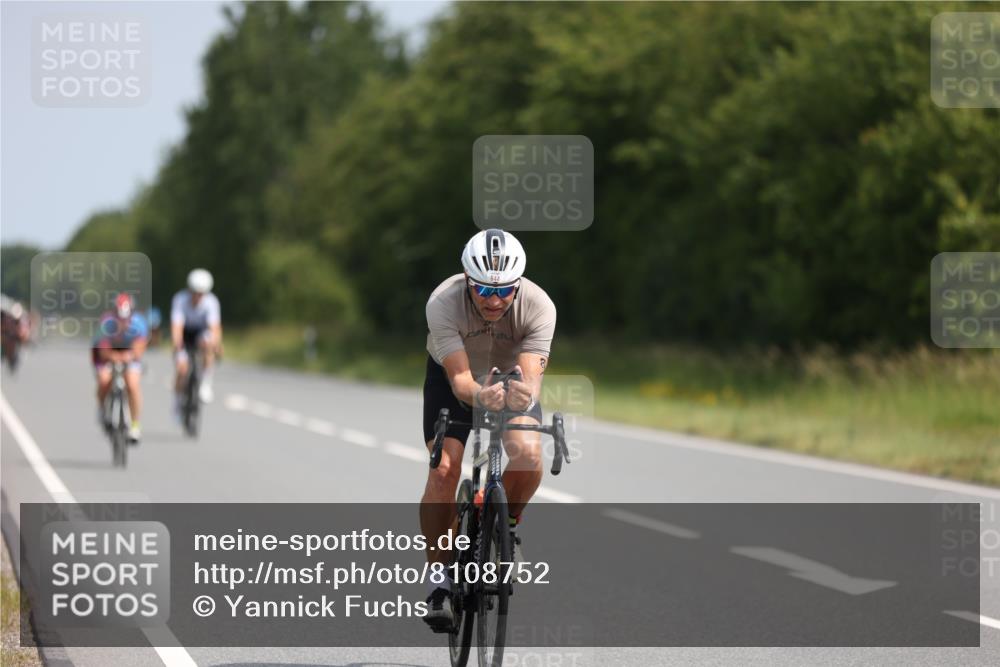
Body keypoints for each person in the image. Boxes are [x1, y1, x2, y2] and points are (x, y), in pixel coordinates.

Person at [420, 228, 556, 630]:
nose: (494, 301)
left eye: (504, 291)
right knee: (444, 469)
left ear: (518, 284)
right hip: (453, 380)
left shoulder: (538, 305)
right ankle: (439, 580)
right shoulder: (442, 302)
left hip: (511, 377)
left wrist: (517, 396)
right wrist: (480, 397)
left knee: (529, 454)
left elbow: (531, 382)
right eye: (482, 291)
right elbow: (461, 381)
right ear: (466, 280)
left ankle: (507, 527)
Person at [92, 293, 149, 442]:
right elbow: (102, 351)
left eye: (126, 319)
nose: (123, 323)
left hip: (129, 354)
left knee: (132, 384)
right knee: (104, 380)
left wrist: (128, 357)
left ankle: (135, 425)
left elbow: (139, 349)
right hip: (108, 354)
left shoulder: (139, 323)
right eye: (119, 318)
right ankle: (102, 408)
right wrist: (114, 357)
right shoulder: (106, 323)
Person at [171, 268, 222, 412]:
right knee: (182, 370)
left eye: (201, 294)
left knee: (209, 343)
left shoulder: (211, 302)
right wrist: (178, 347)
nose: (198, 297)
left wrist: (216, 344)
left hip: (201, 332)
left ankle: (205, 383)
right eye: (194, 293)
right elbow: (176, 327)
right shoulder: (180, 299)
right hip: (184, 332)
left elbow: (214, 328)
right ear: (189, 290)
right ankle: (177, 402)